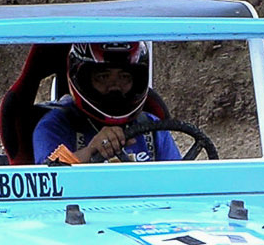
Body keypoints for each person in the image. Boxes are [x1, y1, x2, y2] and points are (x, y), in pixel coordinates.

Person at [32, 41, 182, 164]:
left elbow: (181, 182)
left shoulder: (152, 128)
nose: (115, 87)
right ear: (84, 80)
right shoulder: (54, 126)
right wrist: (90, 152)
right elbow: (47, 180)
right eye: (103, 77)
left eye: (124, 77)